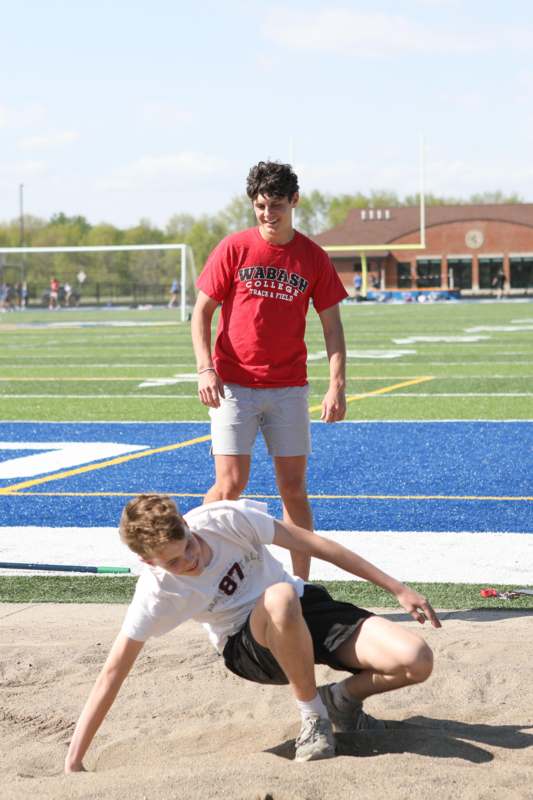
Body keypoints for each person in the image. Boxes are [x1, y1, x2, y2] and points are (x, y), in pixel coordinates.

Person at [64, 494, 441, 772]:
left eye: (189, 546)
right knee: (277, 597)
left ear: (187, 526)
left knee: (415, 660)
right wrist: (74, 759)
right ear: (148, 561)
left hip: (300, 604)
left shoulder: (226, 519)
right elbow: (113, 672)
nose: (191, 560)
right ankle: (313, 718)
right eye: (176, 562)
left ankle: (339, 700)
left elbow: (317, 546)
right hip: (247, 647)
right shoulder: (156, 593)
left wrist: (397, 587)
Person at [191, 161, 348, 580]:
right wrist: (205, 369)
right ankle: (183, 559)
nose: (267, 213)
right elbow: (200, 313)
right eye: (260, 205)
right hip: (234, 386)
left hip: (288, 389)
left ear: (294, 201)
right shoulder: (234, 248)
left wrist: (337, 386)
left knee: (293, 491)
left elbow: (332, 327)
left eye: (276, 204)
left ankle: (301, 587)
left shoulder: (313, 257)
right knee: (230, 486)